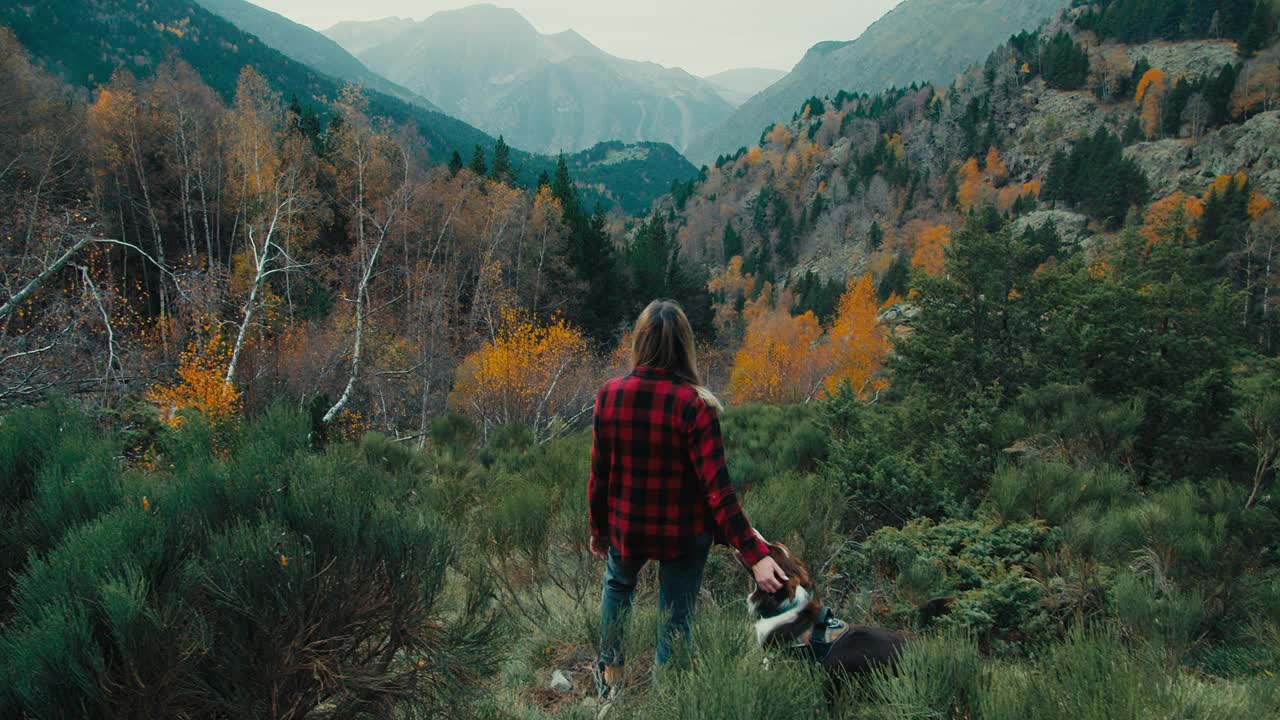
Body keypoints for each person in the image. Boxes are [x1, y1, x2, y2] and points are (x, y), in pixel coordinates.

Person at [588, 299, 788, 698]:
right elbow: (719, 492)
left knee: (617, 586)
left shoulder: (609, 395)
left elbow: (600, 477)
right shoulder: (696, 405)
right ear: (685, 346)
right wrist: (756, 553)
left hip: (628, 529)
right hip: (682, 536)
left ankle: (611, 683)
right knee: (676, 617)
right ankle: (668, 699)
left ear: (640, 342)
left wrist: (598, 531)